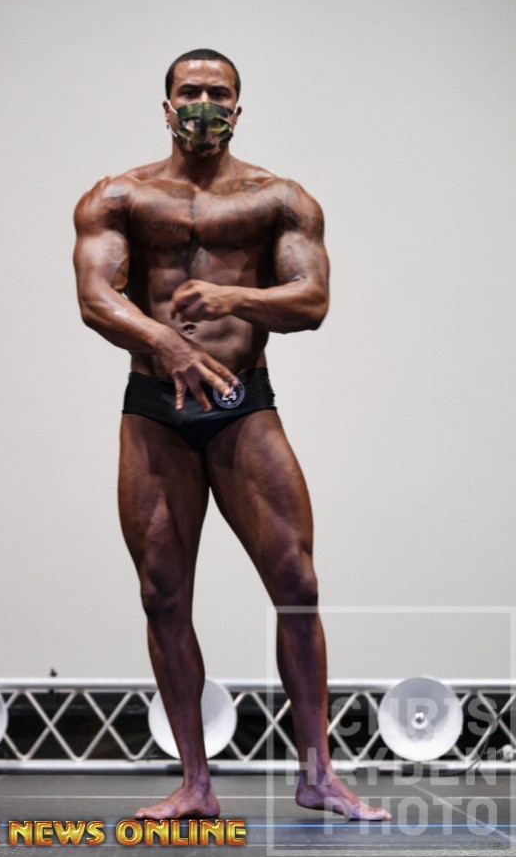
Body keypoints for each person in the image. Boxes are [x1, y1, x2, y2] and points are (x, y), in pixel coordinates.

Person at [73, 48, 391, 822]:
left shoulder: (279, 198)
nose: (204, 103)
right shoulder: (119, 196)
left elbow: (312, 300)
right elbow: (94, 297)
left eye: (219, 93)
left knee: (298, 586)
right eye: (191, 91)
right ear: (166, 105)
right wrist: (165, 342)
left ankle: (318, 776)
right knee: (162, 594)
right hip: (156, 411)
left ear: (239, 108)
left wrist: (232, 298)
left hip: (244, 406)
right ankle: (196, 784)